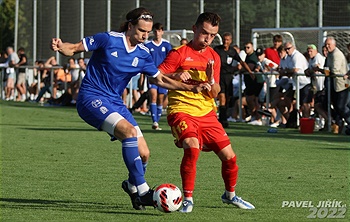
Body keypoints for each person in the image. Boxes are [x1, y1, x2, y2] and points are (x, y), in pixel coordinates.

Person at [50, 7, 210, 210]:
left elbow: (160, 79)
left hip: (115, 102)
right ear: (130, 26)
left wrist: (191, 87)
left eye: (148, 32)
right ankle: (143, 192)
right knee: (128, 132)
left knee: (144, 154)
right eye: (141, 30)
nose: (145, 35)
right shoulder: (108, 39)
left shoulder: (143, 54)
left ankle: (132, 185)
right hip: (91, 98)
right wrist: (59, 46)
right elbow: (72, 48)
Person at [158, 12, 255, 213]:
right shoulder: (179, 53)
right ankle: (187, 199)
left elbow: (216, 91)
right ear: (194, 29)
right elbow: (156, 76)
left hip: (207, 114)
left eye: (212, 35)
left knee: (230, 158)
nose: (207, 39)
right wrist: (175, 74)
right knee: (192, 147)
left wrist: (211, 80)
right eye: (204, 33)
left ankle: (230, 196)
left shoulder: (214, 57)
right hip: (181, 110)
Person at [314, 37, 350, 134]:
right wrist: (320, 70)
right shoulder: (330, 54)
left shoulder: (337, 54)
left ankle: (345, 124)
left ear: (334, 44)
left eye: (329, 44)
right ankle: (338, 125)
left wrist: (322, 70)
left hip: (341, 84)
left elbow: (334, 71)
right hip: (333, 85)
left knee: (341, 106)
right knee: (331, 105)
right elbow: (328, 70)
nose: (327, 46)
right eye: (326, 45)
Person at [214, 32, 250, 128]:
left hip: (229, 78)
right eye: (224, 39)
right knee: (222, 98)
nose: (225, 42)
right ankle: (223, 120)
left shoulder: (232, 51)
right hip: (220, 76)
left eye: (227, 40)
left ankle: (223, 118)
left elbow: (241, 62)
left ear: (231, 41)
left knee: (228, 98)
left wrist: (250, 72)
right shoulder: (217, 50)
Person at [145, 22, 173, 130]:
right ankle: (155, 122)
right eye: (155, 31)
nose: (157, 33)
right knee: (153, 96)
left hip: (163, 76)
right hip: (152, 75)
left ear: (162, 32)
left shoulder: (166, 45)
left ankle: (157, 119)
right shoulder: (148, 45)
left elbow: (170, 61)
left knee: (161, 99)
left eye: (159, 31)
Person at [243, 41, 264, 125]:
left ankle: (258, 118)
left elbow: (252, 66)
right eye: (245, 48)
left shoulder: (254, 57)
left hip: (256, 81)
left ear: (252, 48)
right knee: (250, 99)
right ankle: (254, 116)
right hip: (249, 82)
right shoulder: (247, 57)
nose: (246, 49)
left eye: (248, 47)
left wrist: (243, 68)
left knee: (254, 100)